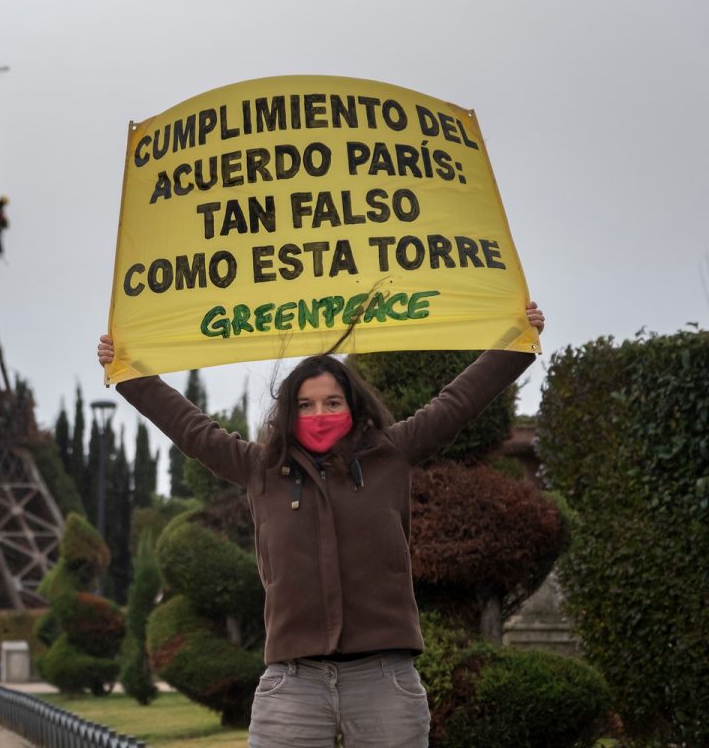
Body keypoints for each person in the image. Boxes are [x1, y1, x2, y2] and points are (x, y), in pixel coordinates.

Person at [96, 303, 545, 747]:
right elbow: (191, 429)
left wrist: (517, 344)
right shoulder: (261, 468)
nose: (319, 414)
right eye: (305, 405)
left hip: (384, 679)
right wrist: (128, 372)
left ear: (354, 407)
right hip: (293, 683)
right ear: (288, 414)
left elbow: (458, 403)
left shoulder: (391, 454)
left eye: (332, 403)